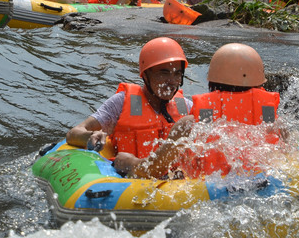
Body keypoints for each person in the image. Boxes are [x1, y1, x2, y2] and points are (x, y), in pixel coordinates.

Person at [115, 43, 281, 179]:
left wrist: (130, 162)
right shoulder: (272, 120)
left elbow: (153, 170)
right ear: (259, 84)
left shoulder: (191, 123)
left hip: (208, 195)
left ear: (212, 81)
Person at [66, 37, 192, 164]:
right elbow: (74, 133)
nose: (172, 81)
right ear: (145, 75)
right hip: (126, 177)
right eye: (164, 73)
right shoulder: (121, 102)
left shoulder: (185, 107)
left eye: (177, 74)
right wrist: (90, 136)